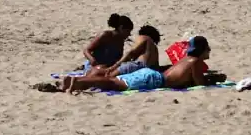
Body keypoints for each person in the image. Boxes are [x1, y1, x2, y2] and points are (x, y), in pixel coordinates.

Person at [66, 35, 213, 93]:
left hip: (151, 74)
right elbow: (199, 84)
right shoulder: (195, 62)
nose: (209, 51)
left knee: (113, 81)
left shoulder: (185, 59)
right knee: (114, 83)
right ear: (202, 50)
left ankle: (78, 81)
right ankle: (78, 82)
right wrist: (212, 80)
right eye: (208, 49)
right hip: (153, 79)